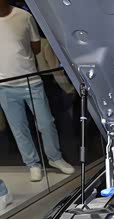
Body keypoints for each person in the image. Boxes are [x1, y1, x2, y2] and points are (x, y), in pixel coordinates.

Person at [0, 0, 74, 182]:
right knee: (19, 128)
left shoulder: (24, 16)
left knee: (46, 123)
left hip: (30, 80)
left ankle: (55, 158)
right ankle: (32, 164)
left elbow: (36, 46)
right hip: (4, 85)